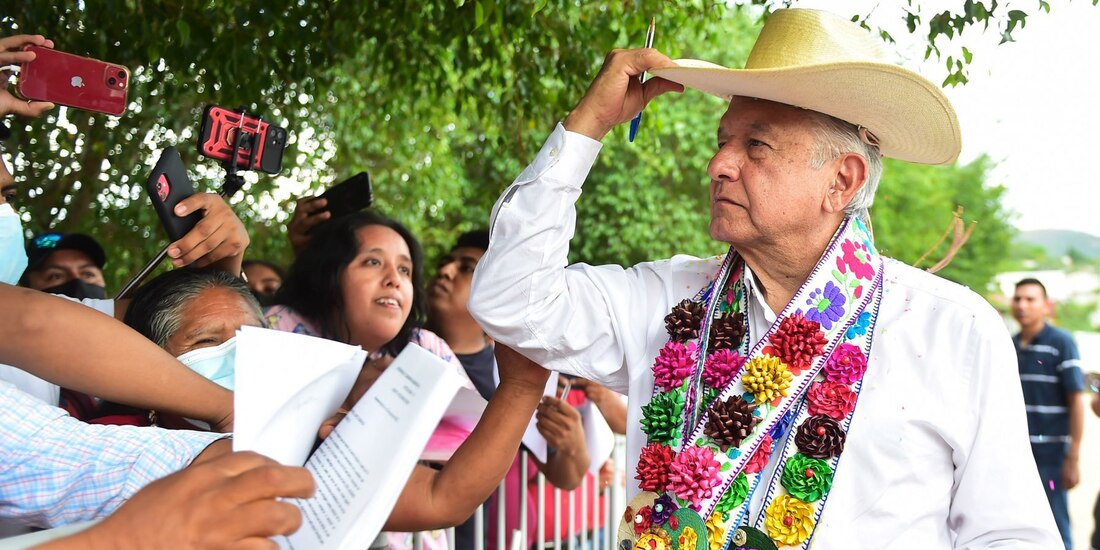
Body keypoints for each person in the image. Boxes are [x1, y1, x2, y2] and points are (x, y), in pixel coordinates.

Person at [468, 8, 1060, 548]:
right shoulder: (667, 299)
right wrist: (585, 127)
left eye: (757, 146)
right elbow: (510, 302)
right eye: (724, 141)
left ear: (842, 181)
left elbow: (1009, 535)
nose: (719, 165)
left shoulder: (950, 328)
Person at [1012, 277, 1085, 549]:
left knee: (1055, 525)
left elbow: (1076, 400)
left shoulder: (1061, 343)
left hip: (1052, 456)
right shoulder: (1011, 345)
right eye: (1018, 298)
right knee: (1020, 525)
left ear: (1046, 306)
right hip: (1018, 453)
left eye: (1031, 299)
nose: (1022, 305)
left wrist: (1073, 456)